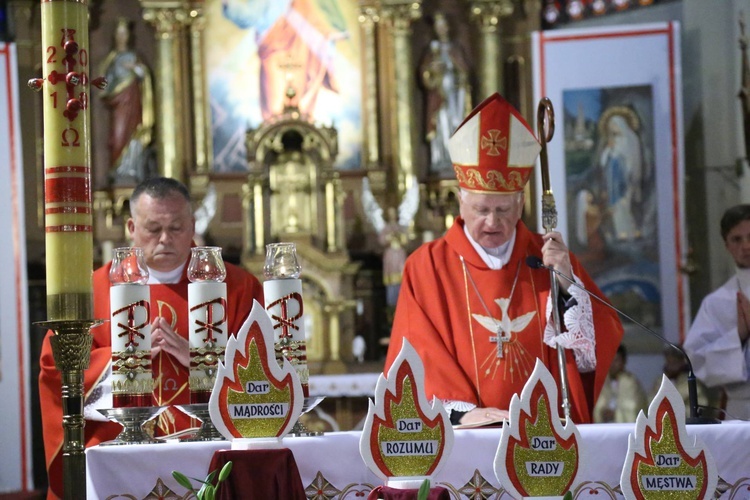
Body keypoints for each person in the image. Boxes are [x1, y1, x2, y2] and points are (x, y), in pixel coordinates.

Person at [384, 93, 624, 426]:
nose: (493, 222)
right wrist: (465, 415)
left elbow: (595, 345)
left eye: (503, 210)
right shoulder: (427, 267)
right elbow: (415, 358)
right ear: (460, 201)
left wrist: (567, 283)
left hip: (544, 435)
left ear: (521, 203)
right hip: (465, 441)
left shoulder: (548, 259)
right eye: (482, 210)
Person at [39, 177, 264, 499]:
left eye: (176, 228)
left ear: (193, 225)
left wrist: (203, 358)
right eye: (152, 228)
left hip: (214, 451)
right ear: (131, 226)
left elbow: (267, 371)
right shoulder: (91, 292)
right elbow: (54, 367)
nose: (164, 239)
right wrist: (125, 358)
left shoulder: (238, 287)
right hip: (120, 454)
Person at [684, 204, 750, 420]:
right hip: (742, 411)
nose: (746, 246)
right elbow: (696, 359)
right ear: (726, 245)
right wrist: (738, 336)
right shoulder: (716, 302)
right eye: (737, 239)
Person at [99, 18, 155, 185]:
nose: (122, 37)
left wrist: (135, 68)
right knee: (118, 136)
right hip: (119, 105)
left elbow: (144, 76)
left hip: (133, 102)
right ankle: (119, 170)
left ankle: (131, 169)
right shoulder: (111, 59)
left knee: (134, 133)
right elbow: (104, 84)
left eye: (125, 33)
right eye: (119, 33)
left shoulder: (135, 57)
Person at [419, 13, 471, 177]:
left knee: (456, 124)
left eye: (443, 25)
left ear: (448, 27)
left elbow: (465, 74)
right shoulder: (432, 51)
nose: (440, 29)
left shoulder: (455, 49)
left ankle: (458, 160)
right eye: (438, 26)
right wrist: (432, 71)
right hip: (438, 97)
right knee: (441, 126)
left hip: (455, 97)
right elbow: (424, 75)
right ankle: (441, 158)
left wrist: (456, 71)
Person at [593, 344, 648, 423]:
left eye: (616, 360)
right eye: (610, 360)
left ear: (624, 361)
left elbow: (635, 407)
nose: (612, 364)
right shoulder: (603, 383)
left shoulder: (630, 382)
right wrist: (601, 412)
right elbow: (597, 407)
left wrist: (615, 414)